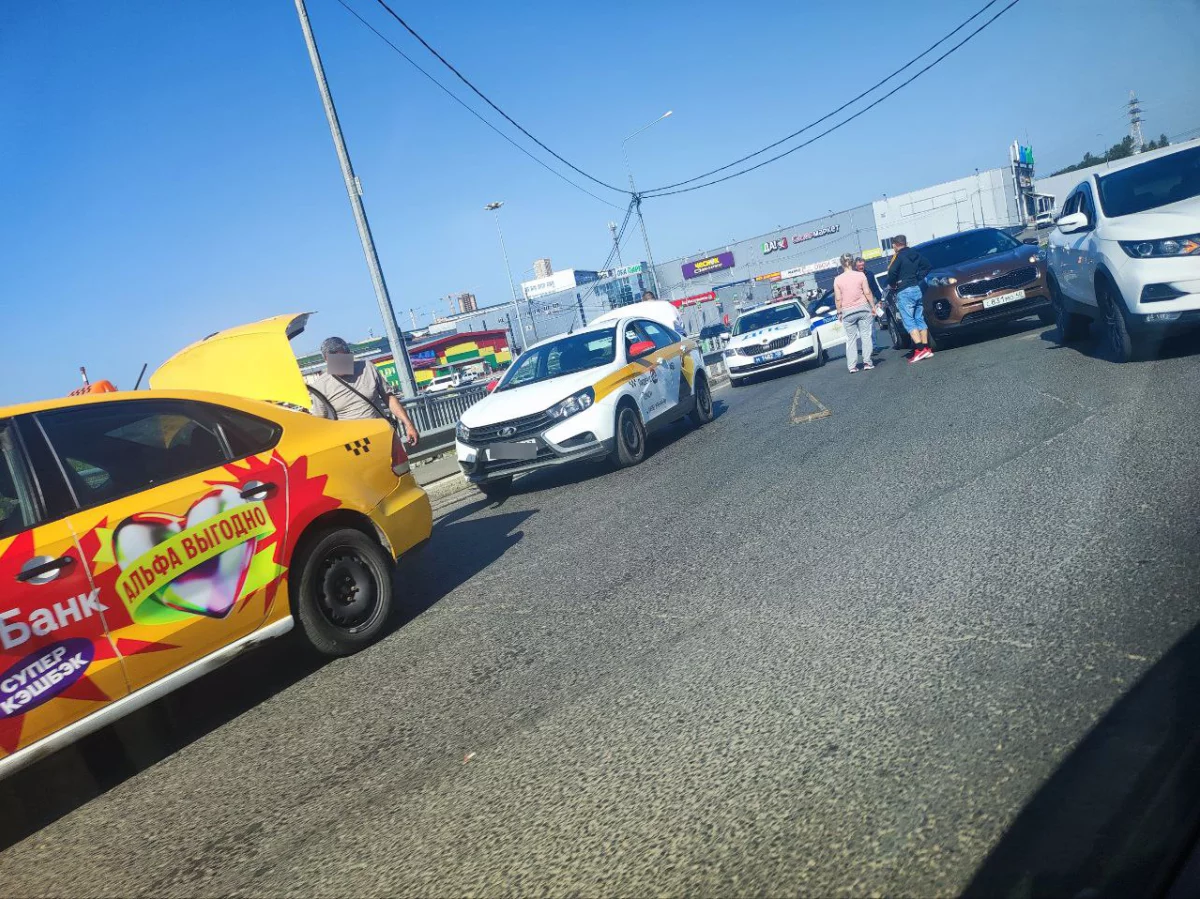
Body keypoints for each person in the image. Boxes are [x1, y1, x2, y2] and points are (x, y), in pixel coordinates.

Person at [304, 337, 420, 446]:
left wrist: (409, 425)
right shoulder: (320, 386)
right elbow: (321, 420)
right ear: (326, 360)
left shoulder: (367, 368)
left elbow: (389, 398)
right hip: (353, 446)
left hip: (383, 436)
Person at [887, 234, 934, 362]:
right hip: (916, 288)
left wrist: (893, 283)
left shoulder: (899, 256)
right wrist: (918, 277)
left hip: (904, 290)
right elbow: (927, 266)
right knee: (919, 318)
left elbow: (892, 272)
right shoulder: (915, 253)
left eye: (893, 245)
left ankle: (919, 350)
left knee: (909, 321)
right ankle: (926, 348)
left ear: (895, 245)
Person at [833, 253, 880, 373]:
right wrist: (873, 306)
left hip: (847, 311)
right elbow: (867, 292)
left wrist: (839, 312)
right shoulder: (860, 275)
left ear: (841, 264)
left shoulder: (837, 280)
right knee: (866, 335)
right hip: (863, 308)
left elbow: (838, 298)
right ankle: (867, 362)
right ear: (853, 263)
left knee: (851, 339)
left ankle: (852, 366)